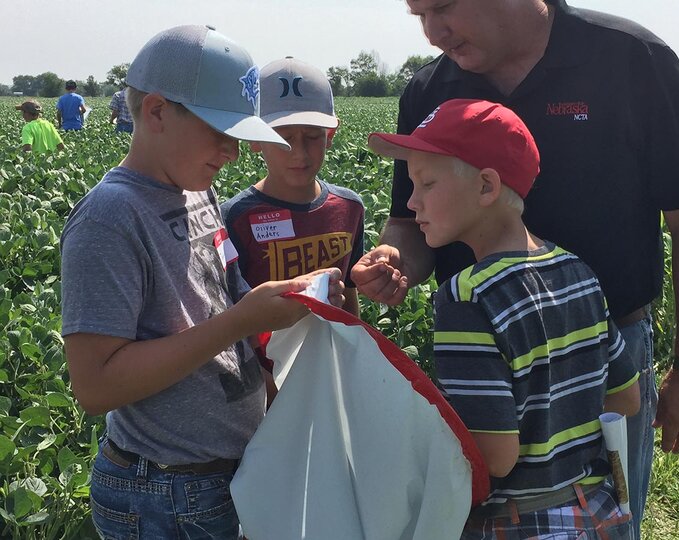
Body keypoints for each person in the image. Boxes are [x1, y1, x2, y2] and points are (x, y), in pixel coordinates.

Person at [351, 1, 679, 535]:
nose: (433, 31)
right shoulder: (430, 92)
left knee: (610, 508)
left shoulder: (630, 60)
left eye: (444, 6)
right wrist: (393, 260)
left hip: (602, 345)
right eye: (419, 14)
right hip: (483, 359)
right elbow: (407, 222)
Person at [60, 25, 345, 539]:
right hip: (161, 491)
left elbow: (221, 299)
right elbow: (95, 386)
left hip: (218, 474)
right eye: (218, 133)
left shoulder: (196, 192)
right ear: (156, 111)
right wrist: (244, 319)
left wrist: (293, 298)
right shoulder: (110, 217)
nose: (231, 153)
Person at [367, 97, 640, 538]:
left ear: (486, 187)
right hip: (597, 514)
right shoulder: (578, 272)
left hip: (517, 524)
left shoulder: (466, 297)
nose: (412, 202)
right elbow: (626, 399)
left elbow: (495, 456)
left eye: (427, 183)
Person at [221, 57, 364, 318]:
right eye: (283, 139)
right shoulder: (234, 217)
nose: (299, 153)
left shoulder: (349, 208)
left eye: (312, 137)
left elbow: (350, 300)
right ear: (256, 139)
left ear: (330, 136)